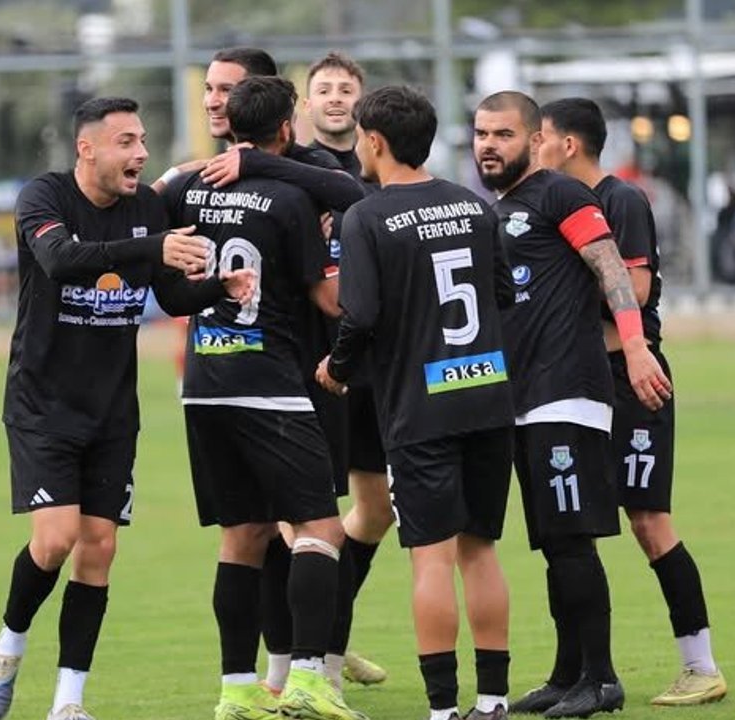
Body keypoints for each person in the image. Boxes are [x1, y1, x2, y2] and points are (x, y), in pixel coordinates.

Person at [0, 96, 256, 720]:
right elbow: (59, 261)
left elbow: (172, 296)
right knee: (56, 540)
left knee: (99, 548)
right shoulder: (44, 198)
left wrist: (219, 287)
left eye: (143, 141)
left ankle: (68, 702)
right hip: (43, 404)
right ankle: (10, 641)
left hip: (112, 412)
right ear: (88, 148)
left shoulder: (147, 209)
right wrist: (153, 247)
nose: (141, 153)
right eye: (126, 142)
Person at [170, 45, 375, 697]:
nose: (213, 99)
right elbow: (329, 294)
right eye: (209, 88)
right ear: (288, 117)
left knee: (253, 534)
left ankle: (250, 686)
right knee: (316, 527)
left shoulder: (197, 189)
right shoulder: (282, 195)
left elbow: (166, 282)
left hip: (217, 382)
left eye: (224, 89)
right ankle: (305, 676)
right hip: (283, 379)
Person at [471, 91, 672, 719]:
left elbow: (611, 269)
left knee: (572, 541)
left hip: (567, 393)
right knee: (553, 544)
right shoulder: (499, 210)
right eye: (481, 134)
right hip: (522, 398)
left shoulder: (560, 194)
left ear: (536, 141)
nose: (488, 146)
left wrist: (635, 349)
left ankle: (602, 679)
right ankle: (566, 675)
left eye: (503, 134)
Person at [317, 85, 515, 720]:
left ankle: (442, 709)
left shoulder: (367, 216)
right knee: (480, 550)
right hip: (487, 398)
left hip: (421, 411)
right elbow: (503, 295)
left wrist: (338, 369)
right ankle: (493, 700)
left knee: (431, 558)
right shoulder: (475, 206)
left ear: (374, 141)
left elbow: (360, 315)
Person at [538, 97, 727, 706]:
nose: (534, 147)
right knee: (572, 529)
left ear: (568, 144)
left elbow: (636, 288)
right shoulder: (553, 203)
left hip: (631, 378)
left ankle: (701, 665)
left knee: (648, 521)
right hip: (578, 382)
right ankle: (572, 674)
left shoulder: (619, 199)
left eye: (541, 136)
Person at [302, 50, 390, 687]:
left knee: (376, 509)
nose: (336, 97)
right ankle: (312, 653)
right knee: (310, 520)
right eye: (324, 88)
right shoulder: (293, 171)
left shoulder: (383, 171)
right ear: (306, 103)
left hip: (376, 369)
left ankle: (332, 626)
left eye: (346, 89)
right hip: (317, 369)